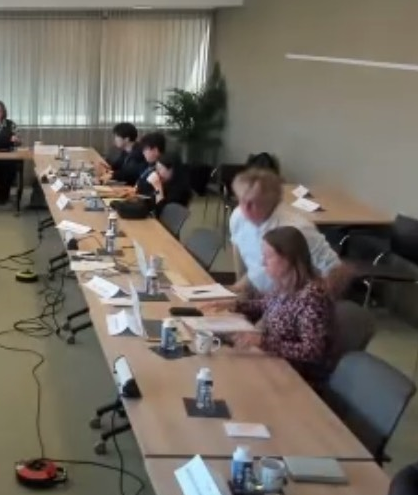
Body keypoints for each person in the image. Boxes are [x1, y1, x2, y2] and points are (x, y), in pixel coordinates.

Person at [205, 226, 338, 385]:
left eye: (268, 257)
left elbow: (312, 351)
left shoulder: (313, 297)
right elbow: (265, 304)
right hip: (273, 362)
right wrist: (233, 305)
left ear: (287, 259)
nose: (263, 262)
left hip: (298, 378)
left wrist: (263, 341)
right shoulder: (284, 284)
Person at [229, 168, 351, 299]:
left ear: (272, 202)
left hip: (292, 300)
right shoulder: (238, 216)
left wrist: (312, 301)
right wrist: (237, 288)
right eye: (241, 200)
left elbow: (334, 270)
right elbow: (249, 259)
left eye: (253, 203)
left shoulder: (297, 229)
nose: (245, 208)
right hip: (259, 294)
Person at [147, 151, 193, 218]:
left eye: (160, 168)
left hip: (165, 222)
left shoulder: (180, 189)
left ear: (172, 169)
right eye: (156, 168)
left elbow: (162, 213)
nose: (157, 172)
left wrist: (158, 187)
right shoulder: (165, 183)